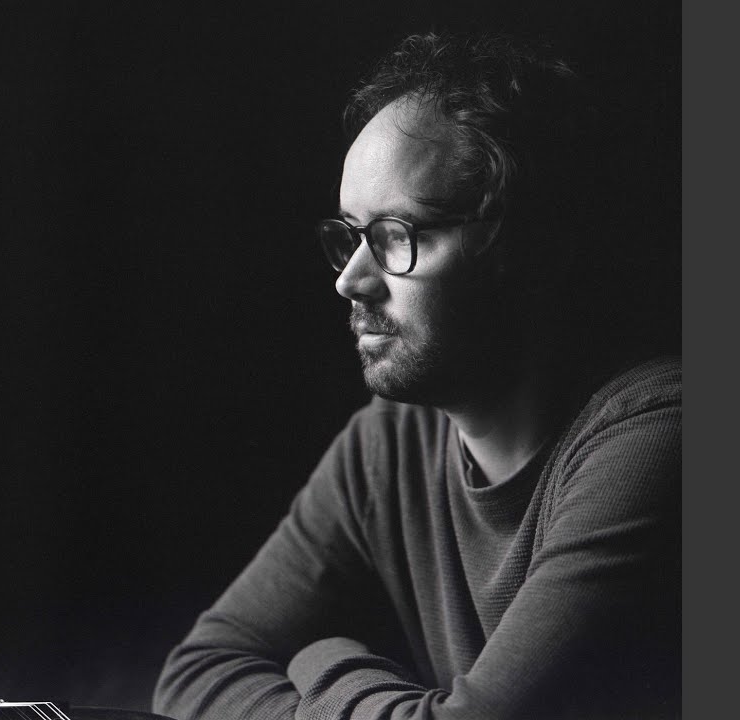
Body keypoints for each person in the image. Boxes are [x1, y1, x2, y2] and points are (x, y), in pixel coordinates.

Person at [153, 31, 680, 720]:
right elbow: (195, 675)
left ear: (531, 247)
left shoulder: (657, 439)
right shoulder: (388, 446)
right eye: (350, 235)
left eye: (397, 236)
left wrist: (325, 662)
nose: (350, 280)